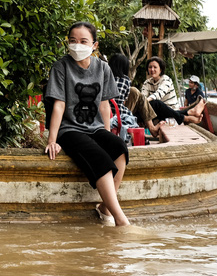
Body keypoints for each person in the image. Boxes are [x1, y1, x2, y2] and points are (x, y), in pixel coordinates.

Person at [45, 22, 130, 227]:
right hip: (70, 130)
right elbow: (59, 104)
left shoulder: (103, 67)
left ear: (94, 45)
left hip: (95, 128)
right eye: (72, 41)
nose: (77, 45)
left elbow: (104, 105)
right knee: (100, 158)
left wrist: (107, 136)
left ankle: (105, 207)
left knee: (119, 148)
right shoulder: (61, 66)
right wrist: (52, 140)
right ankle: (121, 220)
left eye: (83, 41)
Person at [108, 54, 165, 141]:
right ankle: (152, 128)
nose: (152, 70)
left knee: (139, 94)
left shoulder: (104, 79)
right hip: (120, 115)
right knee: (139, 95)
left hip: (106, 114)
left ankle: (151, 128)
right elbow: (123, 101)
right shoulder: (125, 80)